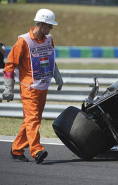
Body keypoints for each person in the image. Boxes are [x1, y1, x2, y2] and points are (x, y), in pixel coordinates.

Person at [2, 8, 63, 164]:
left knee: (31, 120)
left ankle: (16, 149)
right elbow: (9, 65)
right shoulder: (23, 41)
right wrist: (8, 87)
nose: (51, 29)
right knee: (33, 120)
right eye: (49, 25)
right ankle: (36, 150)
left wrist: (57, 74)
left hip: (43, 88)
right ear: (41, 24)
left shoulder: (49, 39)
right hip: (28, 88)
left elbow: (50, 58)